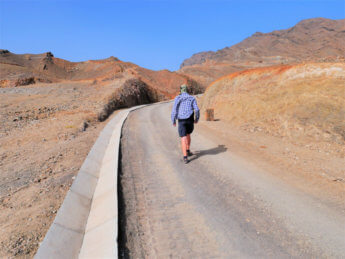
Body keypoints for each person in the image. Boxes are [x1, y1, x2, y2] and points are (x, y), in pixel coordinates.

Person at [171, 84, 200, 164]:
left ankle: (185, 157)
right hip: (190, 119)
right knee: (188, 134)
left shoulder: (178, 98)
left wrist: (173, 120)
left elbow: (174, 110)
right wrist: (196, 119)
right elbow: (197, 110)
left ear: (180, 90)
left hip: (181, 120)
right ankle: (188, 150)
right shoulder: (192, 98)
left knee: (183, 138)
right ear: (187, 90)